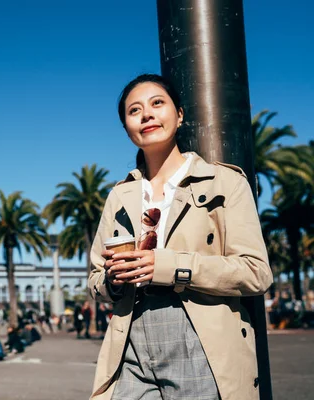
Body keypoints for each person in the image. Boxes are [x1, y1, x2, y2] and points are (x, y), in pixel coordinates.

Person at [88, 74, 272, 400]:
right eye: (134, 110)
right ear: (127, 128)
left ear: (180, 114)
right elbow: (95, 279)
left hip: (200, 337)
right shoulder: (119, 196)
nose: (146, 114)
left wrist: (169, 266)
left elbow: (255, 272)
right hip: (128, 338)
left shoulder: (224, 182)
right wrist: (114, 281)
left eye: (157, 103)